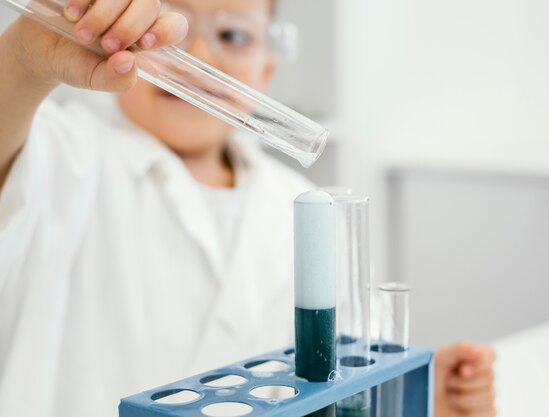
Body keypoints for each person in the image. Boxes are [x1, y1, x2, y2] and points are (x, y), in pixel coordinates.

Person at [0, 1, 496, 416]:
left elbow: (325, 380)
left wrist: (402, 395)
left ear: (268, 67)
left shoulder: (297, 204)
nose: (196, 55)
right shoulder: (64, 152)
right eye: (166, 29)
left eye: (233, 35)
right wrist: (22, 60)